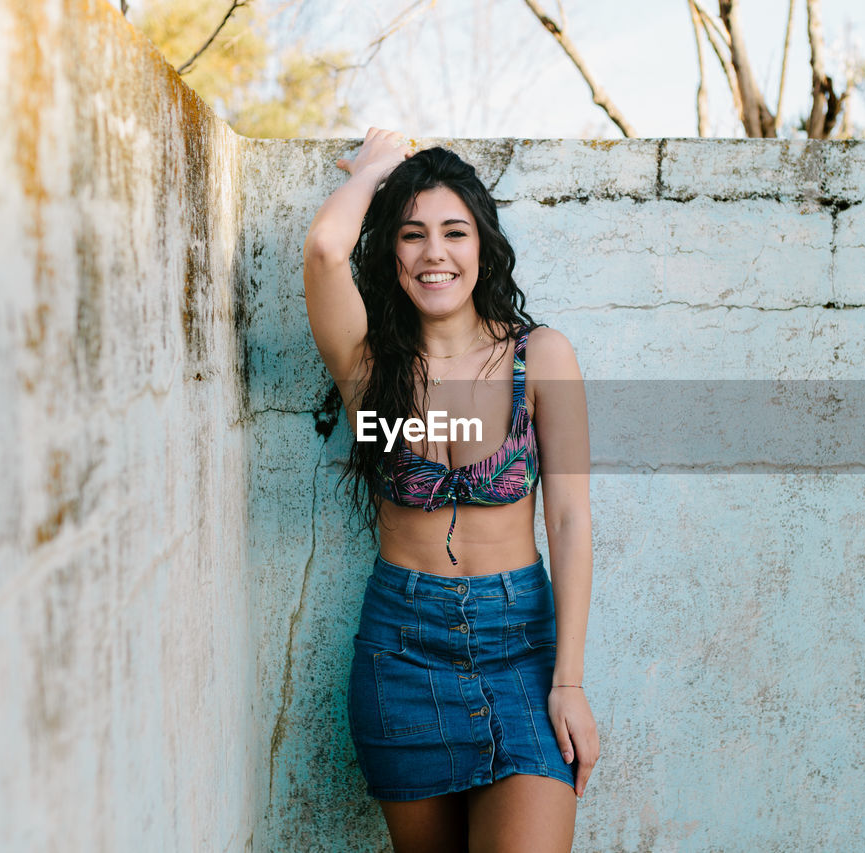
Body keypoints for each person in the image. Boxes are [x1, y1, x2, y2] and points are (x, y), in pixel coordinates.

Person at [302, 127, 599, 853]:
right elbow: (322, 251)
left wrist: (568, 679)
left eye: (454, 232)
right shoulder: (369, 370)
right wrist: (375, 168)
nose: (435, 253)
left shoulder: (541, 355)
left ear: (482, 245)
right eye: (412, 235)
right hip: (401, 653)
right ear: (391, 251)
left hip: (523, 650)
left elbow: (567, 518)